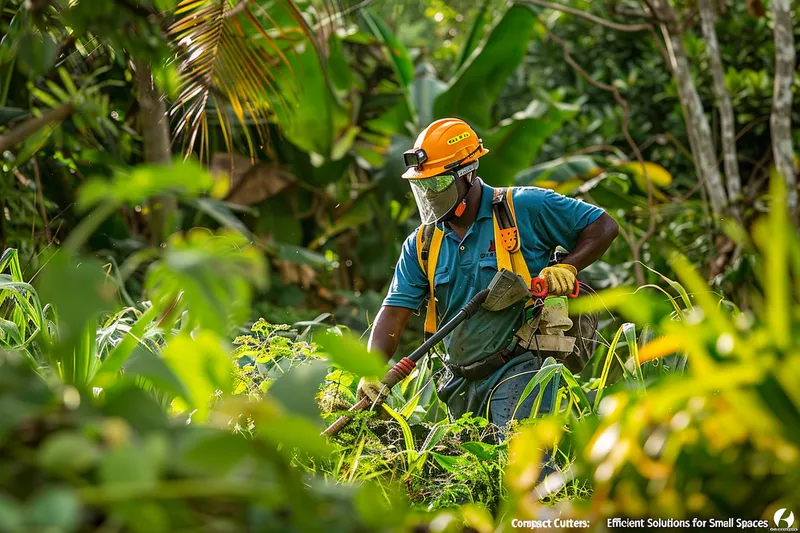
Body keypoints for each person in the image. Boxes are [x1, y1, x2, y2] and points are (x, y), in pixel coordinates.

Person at [359, 118, 618, 427]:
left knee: (526, 468)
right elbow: (394, 311)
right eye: (423, 185)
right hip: (459, 381)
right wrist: (372, 367)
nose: (429, 194)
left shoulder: (524, 207)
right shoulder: (422, 244)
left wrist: (567, 265)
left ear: (467, 174)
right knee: (473, 472)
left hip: (520, 364)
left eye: (437, 183)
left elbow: (603, 226)